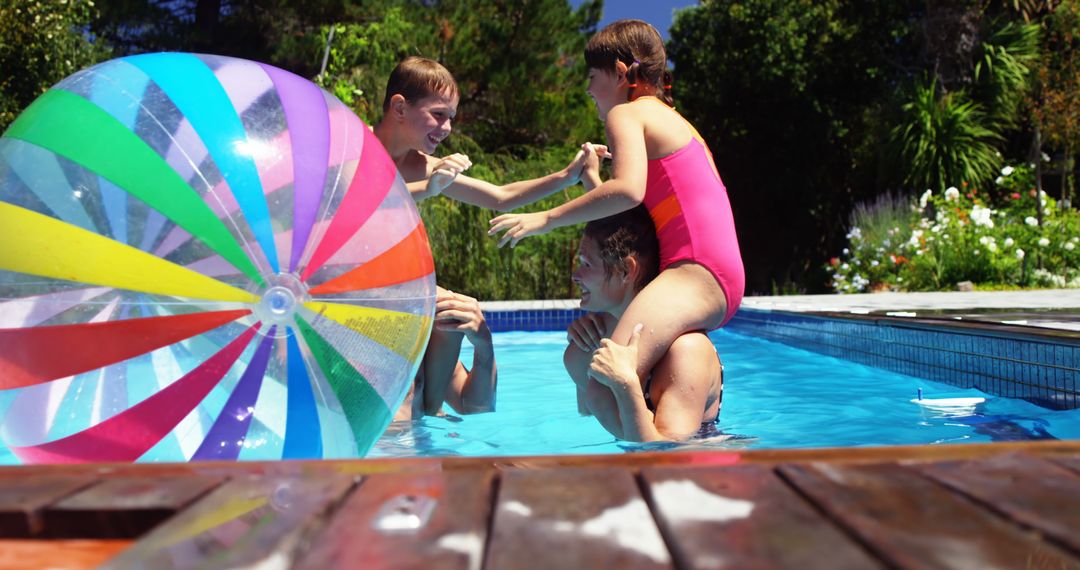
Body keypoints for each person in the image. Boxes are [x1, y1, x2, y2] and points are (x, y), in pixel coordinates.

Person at [490, 19, 744, 393]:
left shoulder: (625, 113)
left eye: (593, 75)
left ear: (621, 73)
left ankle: (687, 442)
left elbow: (627, 190)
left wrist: (545, 218)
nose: (589, 87)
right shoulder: (673, 121)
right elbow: (635, 218)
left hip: (694, 272)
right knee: (580, 357)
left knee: (607, 382)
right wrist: (593, 179)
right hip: (704, 272)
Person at [373, 57, 592, 419]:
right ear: (399, 107)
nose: (447, 128)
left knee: (451, 312)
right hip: (347, 290)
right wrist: (426, 189)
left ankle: (427, 413)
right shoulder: (356, 146)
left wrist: (566, 177)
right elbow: (353, 203)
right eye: (439, 114)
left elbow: (500, 195)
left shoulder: (425, 166)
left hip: (401, 294)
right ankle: (420, 414)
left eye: (452, 118)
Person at [563, 206, 723, 441]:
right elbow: (586, 415)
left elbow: (664, 457)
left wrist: (625, 385)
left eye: (586, 264)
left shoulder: (688, 350)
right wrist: (581, 348)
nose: (575, 275)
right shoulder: (601, 335)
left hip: (697, 470)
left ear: (626, 270)